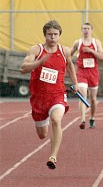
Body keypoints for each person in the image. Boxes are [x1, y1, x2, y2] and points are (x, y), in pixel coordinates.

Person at [21, 20, 79, 169]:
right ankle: (43, 120)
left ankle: (53, 157)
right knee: (42, 135)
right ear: (44, 35)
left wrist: (76, 83)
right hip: (39, 98)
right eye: (49, 35)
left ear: (59, 35)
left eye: (55, 34)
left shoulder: (64, 51)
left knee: (56, 120)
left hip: (57, 94)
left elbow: (70, 66)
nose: (52, 37)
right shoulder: (36, 50)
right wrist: (38, 63)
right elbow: (24, 67)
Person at [71, 23, 103, 129]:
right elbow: (69, 54)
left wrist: (91, 51)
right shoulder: (78, 43)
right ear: (81, 30)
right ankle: (82, 120)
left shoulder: (96, 42)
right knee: (82, 95)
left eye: (88, 29)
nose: (86, 30)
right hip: (81, 72)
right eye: (84, 28)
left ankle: (92, 117)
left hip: (93, 73)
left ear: (91, 30)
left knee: (93, 99)